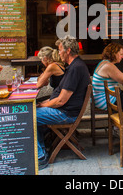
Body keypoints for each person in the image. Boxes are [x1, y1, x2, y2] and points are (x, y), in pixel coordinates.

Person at [36, 36, 90, 170]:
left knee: (28, 116)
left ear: (68, 50)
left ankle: (40, 157)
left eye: (60, 50)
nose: (58, 53)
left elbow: (61, 101)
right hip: (65, 110)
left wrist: (43, 105)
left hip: (66, 113)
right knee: (32, 112)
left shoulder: (75, 68)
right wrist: (46, 102)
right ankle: (42, 150)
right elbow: (60, 96)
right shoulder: (74, 66)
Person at [92, 42, 123, 111]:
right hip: (104, 100)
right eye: (121, 54)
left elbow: (121, 76)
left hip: (101, 98)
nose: (122, 57)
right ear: (114, 53)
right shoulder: (108, 66)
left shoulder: (104, 62)